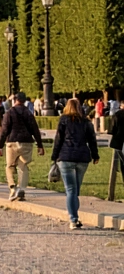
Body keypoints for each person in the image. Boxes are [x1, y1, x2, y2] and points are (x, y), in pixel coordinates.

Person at [51, 98, 99, 229]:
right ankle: (75, 217)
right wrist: (95, 155)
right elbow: (92, 140)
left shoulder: (63, 120)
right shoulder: (86, 122)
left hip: (66, 156)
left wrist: (54, 156)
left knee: (71, 190)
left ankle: (73, 219)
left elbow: (58, 139)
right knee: (75, 190)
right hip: (82, 157)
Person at [0, 91, 44, 202]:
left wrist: (0, 145)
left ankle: (13, 187)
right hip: (27, 142)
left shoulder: (9, 113)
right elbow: (35, 130)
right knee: (23, 166)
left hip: (12, 142)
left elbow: (4, 130)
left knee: (10, 166)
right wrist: (40, 145)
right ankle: (21, 189)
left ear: (15, 100)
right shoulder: (28, 113)